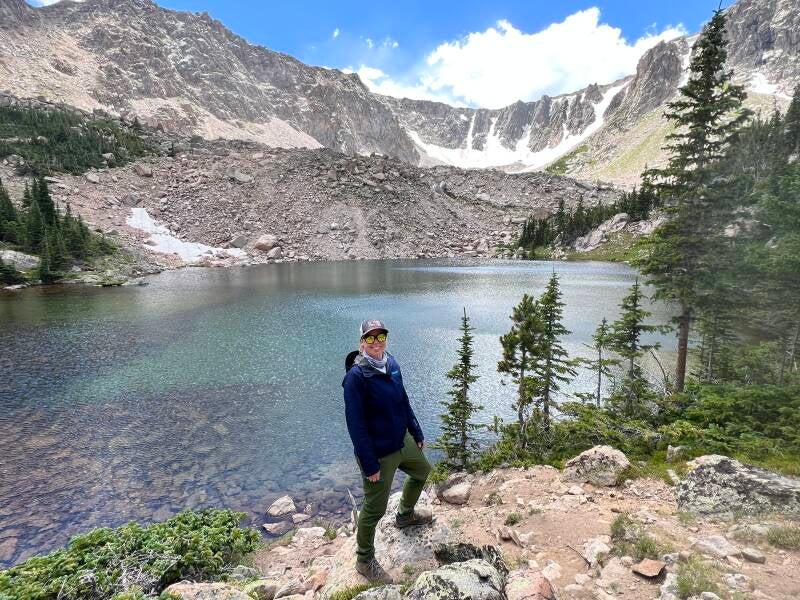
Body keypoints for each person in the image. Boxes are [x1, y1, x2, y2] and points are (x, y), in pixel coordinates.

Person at [342, 319, 433, 582]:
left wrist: (415, 431)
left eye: (380, 336)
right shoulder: (356, 378)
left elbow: (403, 400)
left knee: (422, 472)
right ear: (361, 344)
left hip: (402, 440)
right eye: (370, 338)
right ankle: (364, 559)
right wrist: (369, 464)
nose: (376, 342)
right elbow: (355, 425)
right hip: (379, 453)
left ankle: (405, 515)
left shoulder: (391, 364)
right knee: (374, 509)